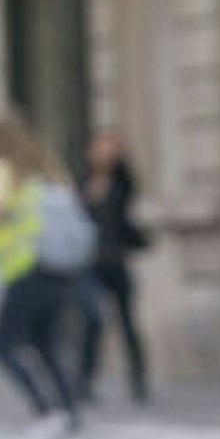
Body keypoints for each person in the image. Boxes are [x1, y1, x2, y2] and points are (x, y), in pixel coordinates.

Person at [0, 110, 90, 439]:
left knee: (3, 346)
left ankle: (46, 411)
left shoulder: (0, 171)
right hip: (59, 270)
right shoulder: (51, 173)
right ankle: (69, 412)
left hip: (23, 270)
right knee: (46, 345)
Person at [71, 127, 150, 403]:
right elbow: (78, 215)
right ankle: (84, 380)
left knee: (128, 322)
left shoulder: (122, 181)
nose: (108, 152)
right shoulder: (83, 181)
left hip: (116, 259)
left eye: (113, 147)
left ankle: (139, 380)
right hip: (90, 263)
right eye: (103, 146)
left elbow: (127, 212)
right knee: (93, 321)